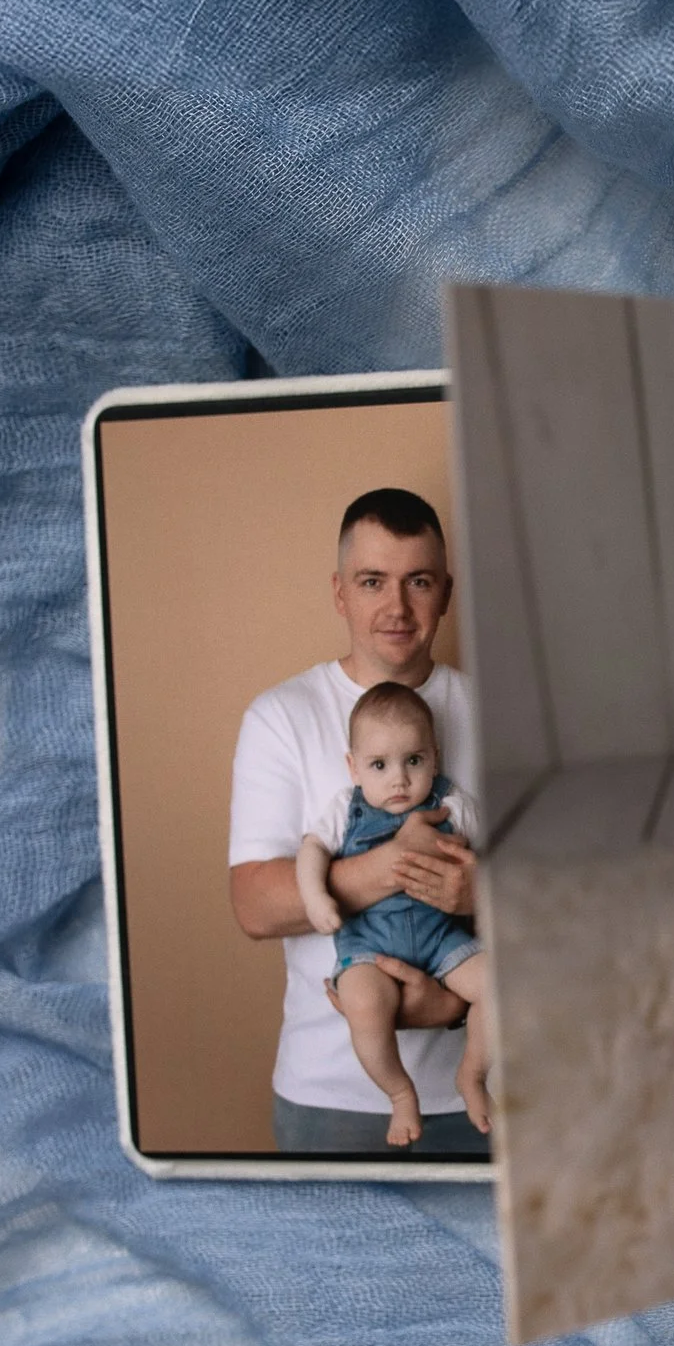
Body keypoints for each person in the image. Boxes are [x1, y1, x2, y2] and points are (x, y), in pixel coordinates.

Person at [228, 487, 488, 1154]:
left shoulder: (500, 713)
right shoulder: (280, 716)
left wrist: (479, 901)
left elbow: (567, 899)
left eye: (418, 581)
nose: (397, 607)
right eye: (373, 581)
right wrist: (392, 865)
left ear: (447, 593)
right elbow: (255, 903)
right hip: (327, 1100)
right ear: (340, 591)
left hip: (484, 1099)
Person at [294, 684, 488, 1146]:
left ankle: (472, 1074)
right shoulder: (346, 809)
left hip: (443, 940)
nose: (399, 780)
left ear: (434, 758)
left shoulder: (454, 806)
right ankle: (400, 1093)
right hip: (369, 947)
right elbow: (311, 850)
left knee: (501, 986)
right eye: (380, 766)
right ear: (354, 767)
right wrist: (317, 898)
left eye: (414, 761)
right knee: (363, 1003)